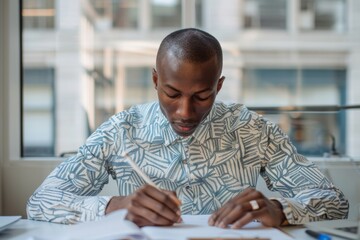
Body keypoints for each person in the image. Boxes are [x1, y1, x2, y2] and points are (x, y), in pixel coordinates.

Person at [27, 28, 349, 228]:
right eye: (171, 93)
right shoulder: (120, 131)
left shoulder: (251, 130)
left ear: (218, 86)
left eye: (202, 96)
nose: (184, 111)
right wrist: (117, 205)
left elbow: (334, 201)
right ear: (155, 80)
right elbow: (40, 201)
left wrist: (278, 209)